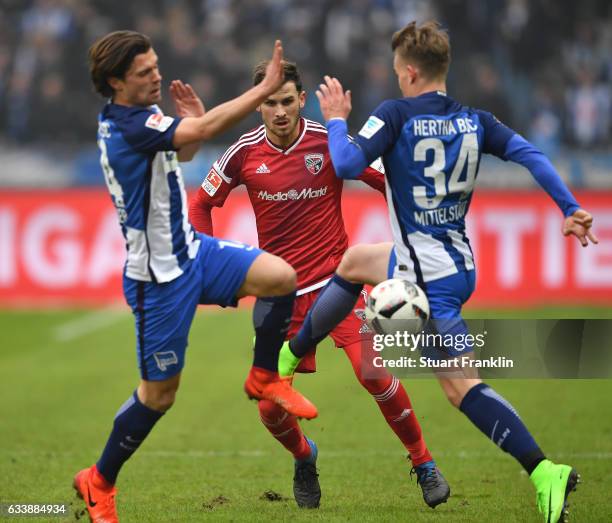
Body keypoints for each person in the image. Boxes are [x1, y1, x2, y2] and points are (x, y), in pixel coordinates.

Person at [280, 21, 598, 522]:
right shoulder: (475, 120)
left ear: (408, 71)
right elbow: (531, 155)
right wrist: (567, 206)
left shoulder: (394, 115)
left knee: (459, 386)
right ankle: (290, 357)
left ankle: (543, 470)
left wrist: (337, 119)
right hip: (455, 261)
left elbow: (342, 163)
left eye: (395, 70)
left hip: (425, 280)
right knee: (357, 260)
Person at [74, 31, 318, 523]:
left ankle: (264, 376)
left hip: (193, 251)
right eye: (144, 73)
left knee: (280, 276)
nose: (157, 75)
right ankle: (99, 481)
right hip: (158, 280)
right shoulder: (127, 125)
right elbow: (197, 135)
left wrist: (191, 126)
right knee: (159, 396)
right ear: (117, 82)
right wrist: (255, 92)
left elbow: (182, 152)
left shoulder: (141, 118)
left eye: (156, 65)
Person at [189, 60, 450, 509]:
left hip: (339, 286)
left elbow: (386, 183)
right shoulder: (243, 153)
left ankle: (423, 463)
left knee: (375, 373)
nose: (279, 111)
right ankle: (304, 456)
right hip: (280, 296)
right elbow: (201, 204)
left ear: (302, 100)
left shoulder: (328, 144)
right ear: (258, 107)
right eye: (269, 103)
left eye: (287, 101)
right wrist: (212, 264)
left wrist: (412, 234)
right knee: (269, 407)